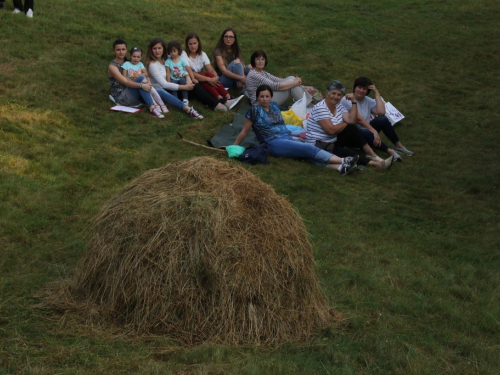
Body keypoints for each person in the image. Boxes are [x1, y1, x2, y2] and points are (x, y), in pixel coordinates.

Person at [233, 85, 358, 175]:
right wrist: (234, 146)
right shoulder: (253, 111)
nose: (265, 99)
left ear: (271, 97)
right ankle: (343, 160)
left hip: (287, 136)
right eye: (262, 97)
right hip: (272, 142)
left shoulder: (274, 106)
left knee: (306, 154)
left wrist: (295, 133)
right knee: (308, 148)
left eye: (267, 96)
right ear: (257, 98)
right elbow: (244, 131)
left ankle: (340, 167)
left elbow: (282, 125)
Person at [306, 80, 394, 171]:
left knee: (352, 128)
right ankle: (378, 164)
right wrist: (346, 122)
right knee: (351, 152)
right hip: (319, 144)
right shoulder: (321, 108)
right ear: (327, 93)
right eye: (333, 93)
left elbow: (352, 120)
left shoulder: (338, 106)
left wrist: (354, 102)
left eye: (339, 94)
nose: (336, 97)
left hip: (333, 139)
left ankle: (372, 154)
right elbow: (331, 130)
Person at [340, 77, 413, 158]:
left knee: (383, 119)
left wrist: (376, 92)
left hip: (366, 128)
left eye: (364, 89)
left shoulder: (367, 100)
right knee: (365, 131)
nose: (361, 90)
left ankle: (398, 146)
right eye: (359, 87)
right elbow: (359, 119)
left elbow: (381, 112)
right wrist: (374, 131)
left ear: (368, 91)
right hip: (353, 133)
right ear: (355, 88)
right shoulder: (347, 99)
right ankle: (389, 151)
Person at [181, 33, 243, 111]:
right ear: (187, 45)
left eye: (194, 43)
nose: (193, 46)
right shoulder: (184, 55)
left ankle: (228, 97)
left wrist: (215, 77)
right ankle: (222, 100)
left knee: (209, 74)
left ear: (198, 43)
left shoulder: (202, 54)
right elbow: (191, 73)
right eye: (190, 44)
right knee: (203, 75)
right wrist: (208, 79)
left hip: (200, 78)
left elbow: (210, 69)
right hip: (189, 79)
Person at [146, 38, 203, 120]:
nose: (157, 51)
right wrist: (185, 87)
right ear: (151, 50)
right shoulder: (152, 65)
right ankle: (188, 109)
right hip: (160, 91)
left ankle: (216, 103)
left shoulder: (167, 58)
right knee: (161, 91)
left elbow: (181, 67)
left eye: (159, 48)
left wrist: (187, 77)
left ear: (163, 49)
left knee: (196, 86)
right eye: (154, 48)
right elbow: (164, 84)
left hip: (173, 85)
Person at [108, 39, 164, 118]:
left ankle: (183, 106)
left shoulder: (129, 62)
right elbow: (125, 82)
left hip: (132, 90)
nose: (121, 52)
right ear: (113, 51)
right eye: (118, 50)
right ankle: (152, 108)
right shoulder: (112, 67)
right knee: (141, 79)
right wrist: (142, 85)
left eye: (123, 49)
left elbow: (146, 75)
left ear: (126, 50)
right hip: (122, 98)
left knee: (160, 91)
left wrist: (148, 82)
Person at [245, 50, 312, 107]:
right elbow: (275, 86)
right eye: (258, 59)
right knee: (290, 85)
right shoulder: (254, 75)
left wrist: (295, 81)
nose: (260, 61)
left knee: (291, 78)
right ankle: (308, 105)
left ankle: (306, 102)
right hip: (261, 104)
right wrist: (294, 83)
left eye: (263, 59)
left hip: (266, 97)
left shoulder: (262, 72)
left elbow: (279, 80)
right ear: (253, 61)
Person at [122, 46, 168, 117]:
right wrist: (132, 81)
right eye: (134, 56)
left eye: (138, 57)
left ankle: (155, 106)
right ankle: (157, 104)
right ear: (130, 56)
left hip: (140, 87)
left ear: (141, 57)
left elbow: (146, 73)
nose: (136, 58)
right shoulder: (126, 64)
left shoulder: (140, 64)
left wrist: (138, 74)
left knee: (143, 81)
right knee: (143, 79)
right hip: (131, 88)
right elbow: (124, 76)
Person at [165, 40, 192, 106]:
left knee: (183, 81)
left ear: (178, 51)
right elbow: (167, 72)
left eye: (174, 51)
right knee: (173, 85)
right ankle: (175, 99)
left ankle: (185, 99)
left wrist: (193, 78)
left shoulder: (182, 59)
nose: (172, 53)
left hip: (181, 77)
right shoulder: (168, 61)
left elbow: (188, 69)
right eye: (171, 51)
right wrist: (168, 82)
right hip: (173, 78)